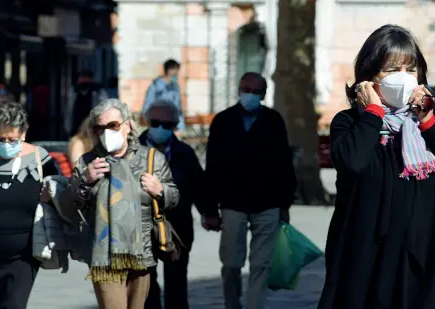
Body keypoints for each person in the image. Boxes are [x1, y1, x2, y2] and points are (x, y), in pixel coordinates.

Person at [317, 25, 435, 309]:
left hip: (425, 256)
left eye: (411, 69)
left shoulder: (430, 120)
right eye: (392, 70)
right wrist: (373, 114)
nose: (403, 77)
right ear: (368, 79)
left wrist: (429, 122)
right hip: (368, 258)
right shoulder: (351, 122)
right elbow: (352, 163)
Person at [60, 98, 180, 309]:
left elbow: (174, 198)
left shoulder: (151, 159)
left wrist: (160, 191)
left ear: (127, 126)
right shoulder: (88, 162)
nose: (106, 132)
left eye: (113, 125)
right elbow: (69, 207)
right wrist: (85, 180)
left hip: (141, 252)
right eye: (99, 128)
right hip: (103, 256)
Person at [203, 72, 296, 309]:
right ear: (239, 89)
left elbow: (284, 164)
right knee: (232, 263)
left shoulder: (274, 121)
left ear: (264, 94)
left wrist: (284, 205)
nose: (251, 95)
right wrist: (210, 208)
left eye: (256, 91)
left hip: (268, 203)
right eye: (247, 89)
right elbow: (212, 167)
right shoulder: (223, 121)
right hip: (233, 203)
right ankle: (232, 304)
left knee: (261, 265)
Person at [0, 102, 59, 309]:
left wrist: (51, 196)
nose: (6, 143)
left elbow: (61, 197)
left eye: (12, 139)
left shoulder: (40, 160)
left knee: (13, 305)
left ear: (23, 133)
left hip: (24, 255)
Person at [140, 100, 212, 309]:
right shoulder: (133, 151)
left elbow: (198, 185)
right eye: (156, 122)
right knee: (146, 282)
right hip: (142, 225)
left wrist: (209, 212)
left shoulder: (184, 153)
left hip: (178, 225)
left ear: (175, 125)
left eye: (167, 124)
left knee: (177, 280)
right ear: (147, 121)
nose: (161, 128)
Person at [142, 59, 185, 132]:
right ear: (168, 71)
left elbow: (178, 109)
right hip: (159, 126)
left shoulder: (175, 87)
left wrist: (181, 127)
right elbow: (147, 108)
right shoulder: (155, 87)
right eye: (174, 74)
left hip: (175, 126)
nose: (176, 75)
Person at [64, 70, 109, 138]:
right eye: (81, 78)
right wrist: (68, 128)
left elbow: (105, 107)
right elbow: (68, 111)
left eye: (85, 78)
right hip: (76, 128)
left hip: (93, 128)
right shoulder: (74, 92)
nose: (82, 80)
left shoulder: (98, 92)